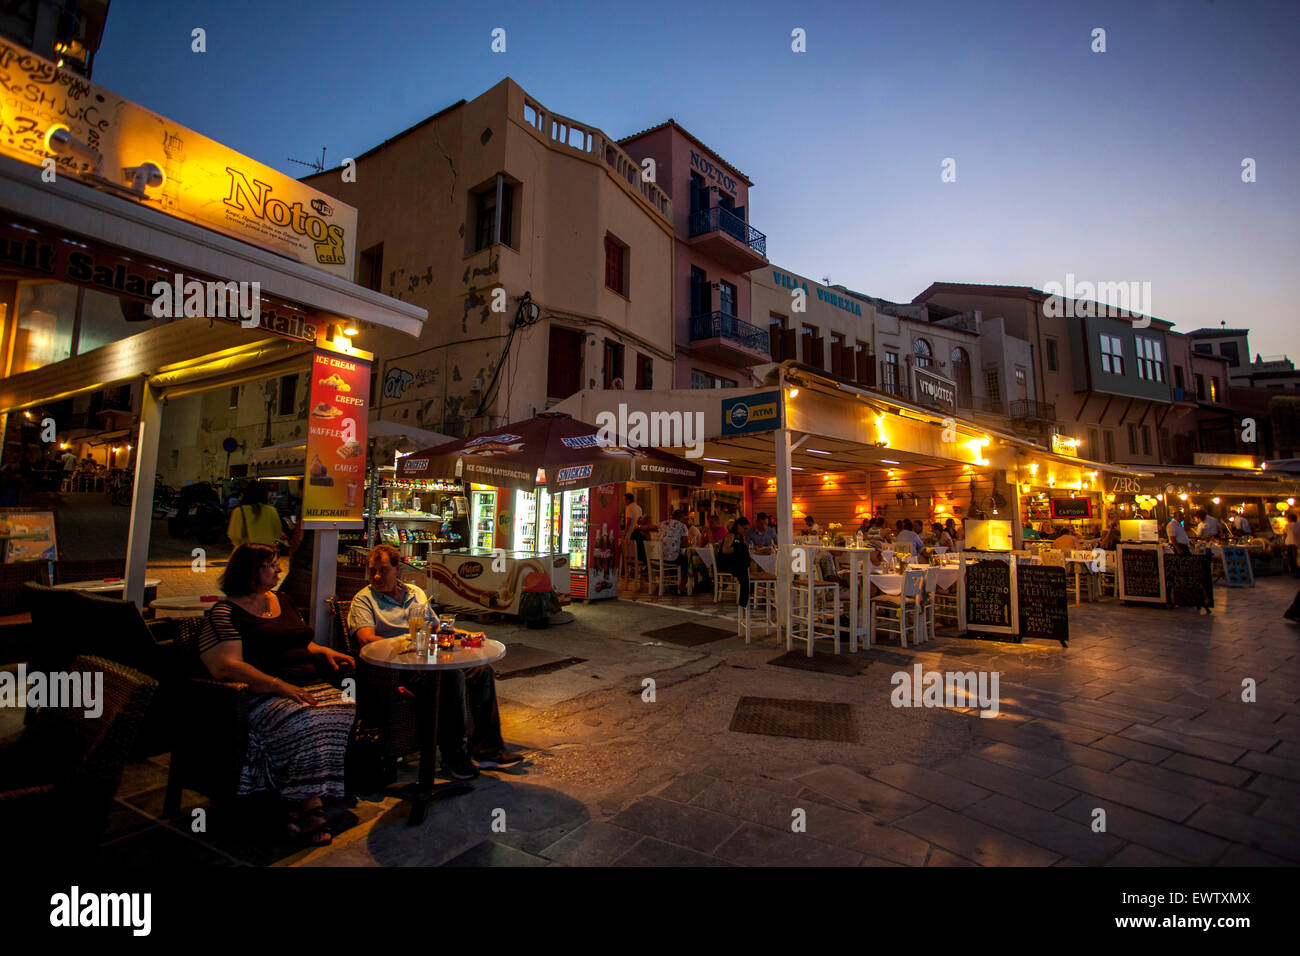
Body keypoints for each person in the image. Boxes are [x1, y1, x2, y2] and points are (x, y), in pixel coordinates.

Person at [197, 543, 355, 845]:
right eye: (271, 565)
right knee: (304, 719)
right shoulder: (226, 612)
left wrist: (324, 651)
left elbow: (299, 641)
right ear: (250, 572)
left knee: (343, 706)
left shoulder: (282, 600)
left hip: (303, 684)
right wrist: (277, 686)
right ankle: (311, 805)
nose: (279, 569)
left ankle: (295, 796)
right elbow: (227, 665)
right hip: (260, 693)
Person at [349, 544, 523, 775]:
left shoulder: (416, 594)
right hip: (396, 669)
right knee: (452, 677)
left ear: (397, 569)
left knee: (482, 671)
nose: (377, 576)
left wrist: (466, 635)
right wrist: (407, 643)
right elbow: (366, 639)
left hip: (431, 658)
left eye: (383, 570)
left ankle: (487, 749)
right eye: (372, 571)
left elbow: (438, 627)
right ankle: (453, 757)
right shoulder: (364, 600)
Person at [228, 481, 286, 549]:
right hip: (266, 553)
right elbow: (278, 533)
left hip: (245, 552)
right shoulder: (272, 511)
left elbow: (233, 534)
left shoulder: (239, 511)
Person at [720, 516, 753, 607]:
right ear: (738, 526)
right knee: (744, 571)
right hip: (726, 562)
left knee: (744, 568)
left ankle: (744, 599)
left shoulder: (741, 537)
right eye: (744, 528)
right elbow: (725, 550)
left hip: (736, 562)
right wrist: (739, 548)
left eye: (747, 529)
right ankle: (744, 600)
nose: (746, 531)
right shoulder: (731, 535)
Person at [658, 509, 691, 595]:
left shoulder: (662, 524)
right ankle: (682, 585)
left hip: (660, 557)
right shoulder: (682, 526)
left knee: (676, 556)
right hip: (673, 558)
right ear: (681, 517)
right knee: (689, 562)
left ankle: (672, 587)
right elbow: (684, 545)